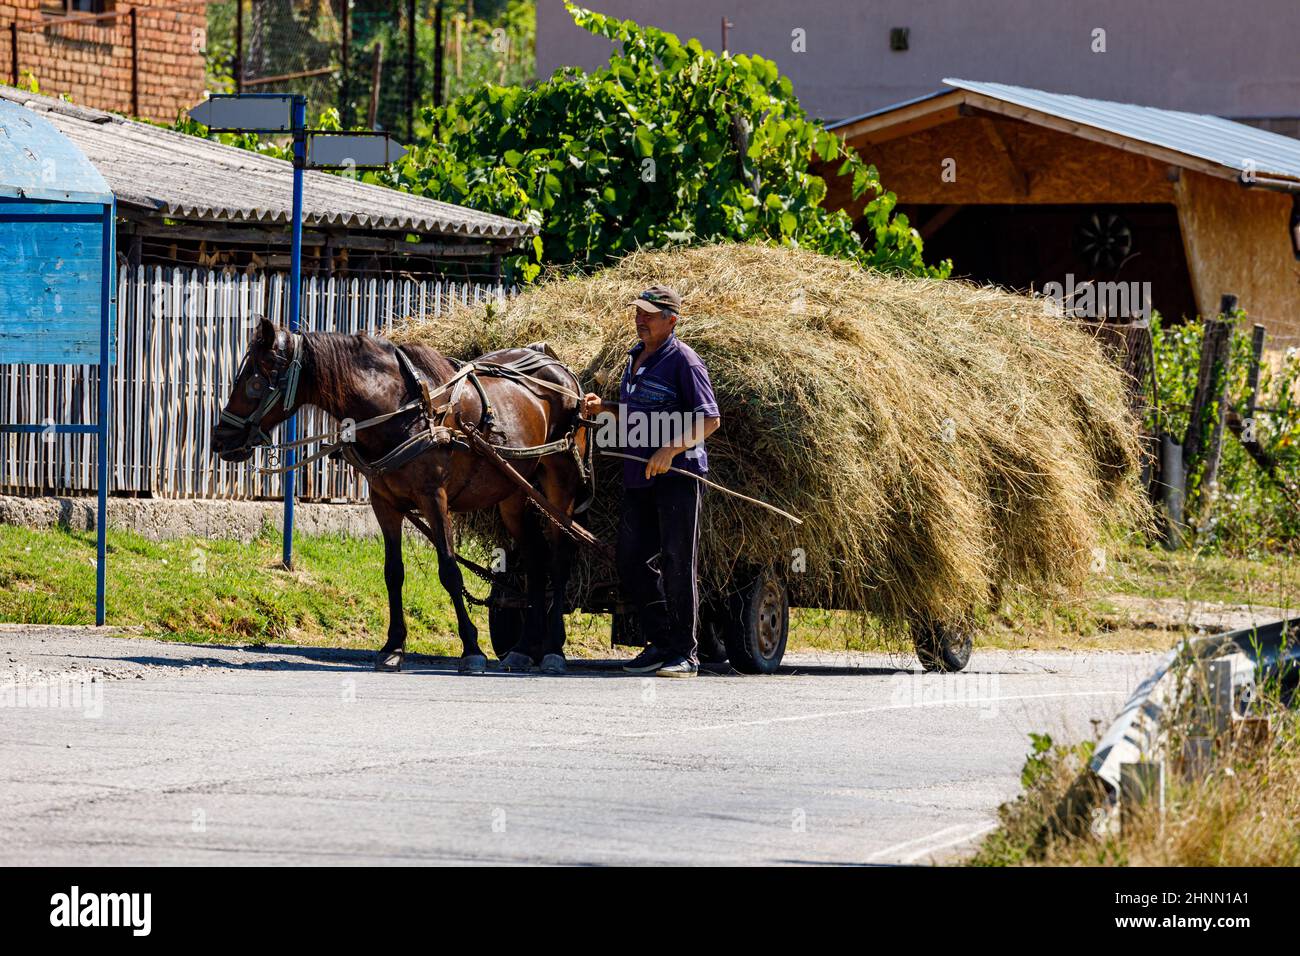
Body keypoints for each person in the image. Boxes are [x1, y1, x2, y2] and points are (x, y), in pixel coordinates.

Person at [582, 286, 721, 678]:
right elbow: (634, 411)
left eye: (649, 314)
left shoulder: (685, 362)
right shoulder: (634, 359)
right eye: (638, 312)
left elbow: (710, 419)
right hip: (638, 477)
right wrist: (606, 408)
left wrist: (670, 450)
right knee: (630, 559)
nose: (640, 319)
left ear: (671, 321)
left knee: (679, 561)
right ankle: (662, 641)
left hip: (678, 476)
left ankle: (686, 653)